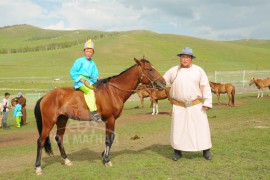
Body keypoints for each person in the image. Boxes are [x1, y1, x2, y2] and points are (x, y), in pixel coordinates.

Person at [163, 47, 213, 161]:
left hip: (196, 105)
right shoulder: (173, 71)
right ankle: (177, 152)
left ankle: (206, 151)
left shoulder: (198, 70)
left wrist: (208, 102)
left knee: (201, 128)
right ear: (180, 58)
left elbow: (205, 86)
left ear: (191, 58)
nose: (184, 59)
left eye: (187, 57)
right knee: (178, 130)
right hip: (179, 106)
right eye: (183, 57)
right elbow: (162, 81)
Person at [70, 39, 102, 122]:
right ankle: (93, 113)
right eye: (87, 51)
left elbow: (94, 75)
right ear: (84, 51)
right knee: (90, 92)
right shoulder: (79, 61)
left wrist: (98, 78)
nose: (89, 53)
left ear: (93, 53)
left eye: (90, 52)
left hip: (90, 81)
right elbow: (72, 72)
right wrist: (83, 80)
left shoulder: (93, 63)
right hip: (80, 81)